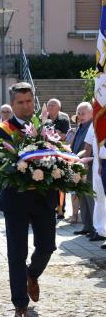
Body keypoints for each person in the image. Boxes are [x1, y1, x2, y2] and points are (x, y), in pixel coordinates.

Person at [0, 82, 57, 317]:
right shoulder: (2, 129)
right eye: (21, 102)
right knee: (16, 253)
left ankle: (32, 275)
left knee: (48, 246)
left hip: (43, 196)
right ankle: (20, 303)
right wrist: (22, 168)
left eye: (29, 101)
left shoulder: (46, 126)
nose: (26, 106)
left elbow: (56, 155)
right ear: (13, 104)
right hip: (16, 199)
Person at [72, 102, 103, 241]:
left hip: (90, 165)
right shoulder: (81, 126)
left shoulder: (94, 124)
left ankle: (96, 227)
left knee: (91, 197)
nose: (80, 116)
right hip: (80, 164)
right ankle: (87, 225)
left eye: (83, 113)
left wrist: (84, 164)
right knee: (82, 195)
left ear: (92, 113)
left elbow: (89, 146)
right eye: (78, 113)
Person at [46, 98, 71, 219]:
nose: (50, 107)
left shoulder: (64, 119)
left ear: (58, 108)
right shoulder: (44, 118)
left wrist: (54, 134)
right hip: (46, 152)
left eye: (53, 105)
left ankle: (61, 208)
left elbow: (65, 136)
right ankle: (50, 206)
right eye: (49, 105)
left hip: (60, 152)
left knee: (60, 180)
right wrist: (56, 134)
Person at [82, 122, 106, 247]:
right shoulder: (96, 120)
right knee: (98, 197)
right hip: (99, 162)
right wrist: (85, 163)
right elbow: (89, 143)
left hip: (103, 161)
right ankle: (100, 230)